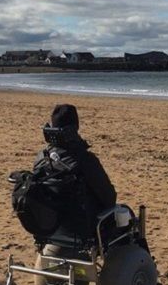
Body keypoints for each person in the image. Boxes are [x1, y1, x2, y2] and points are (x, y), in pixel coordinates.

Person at [34, 104, 116, 242]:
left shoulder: (42, 158)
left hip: (50, 229)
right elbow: (109, 197)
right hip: (82, 231)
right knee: (125, 215)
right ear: (76, 126)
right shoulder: (84, 160)